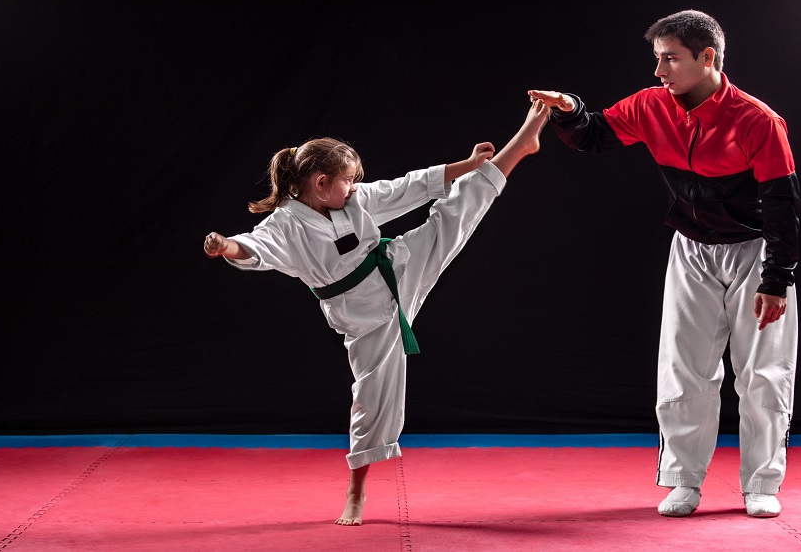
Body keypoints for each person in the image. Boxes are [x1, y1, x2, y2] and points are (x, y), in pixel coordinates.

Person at [203, 100, 550, 525]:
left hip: (397, 268)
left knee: (455, 216)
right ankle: (357, 490)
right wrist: (226, 247)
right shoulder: (285, 226)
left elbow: (409, 187)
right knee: (370, 398)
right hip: (362, 315)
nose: (353, 188)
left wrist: (468, 163)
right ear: (320, 181)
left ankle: (521, 142)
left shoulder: (355, 201)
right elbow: (254, 248)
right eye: (347, 181)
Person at [529, 9, 800, 518]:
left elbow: (783, 204)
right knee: (683, 370)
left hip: (753, 249)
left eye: (670, 59)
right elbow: (591, 135)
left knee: (763, 373)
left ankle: (762, 484)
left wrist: (778, 278)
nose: (659, 71)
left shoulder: (758, 120)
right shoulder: (650, 106)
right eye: (657, 59)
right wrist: (568, 108)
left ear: (708, 57)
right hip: (692, 249)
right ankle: (684, 481)